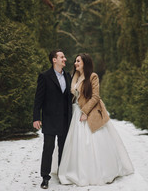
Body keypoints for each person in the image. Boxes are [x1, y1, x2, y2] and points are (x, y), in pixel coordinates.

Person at [58, 53, 134, 186]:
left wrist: (85, 112)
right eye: (75, 61)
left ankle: (98, 171)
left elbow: (95, 97)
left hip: (89, 112)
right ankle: (73, 170)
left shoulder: (92, 77)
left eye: (78, 61)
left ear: (85, 63)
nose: (75, 63)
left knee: (92, 142)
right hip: (75, 113)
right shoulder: (74, 77)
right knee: (75, 143)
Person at [33, 49, 72, 189]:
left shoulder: (68, 76)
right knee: (48, 148)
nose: (65, 59)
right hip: (49, 118)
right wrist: (36, 117)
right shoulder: (44, 76)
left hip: (64, 119)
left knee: (63, 148)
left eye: (64, 56)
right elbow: (38, 99)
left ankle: (62, 174)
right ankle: (45, 177)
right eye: (62, 57)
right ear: (54, 60)